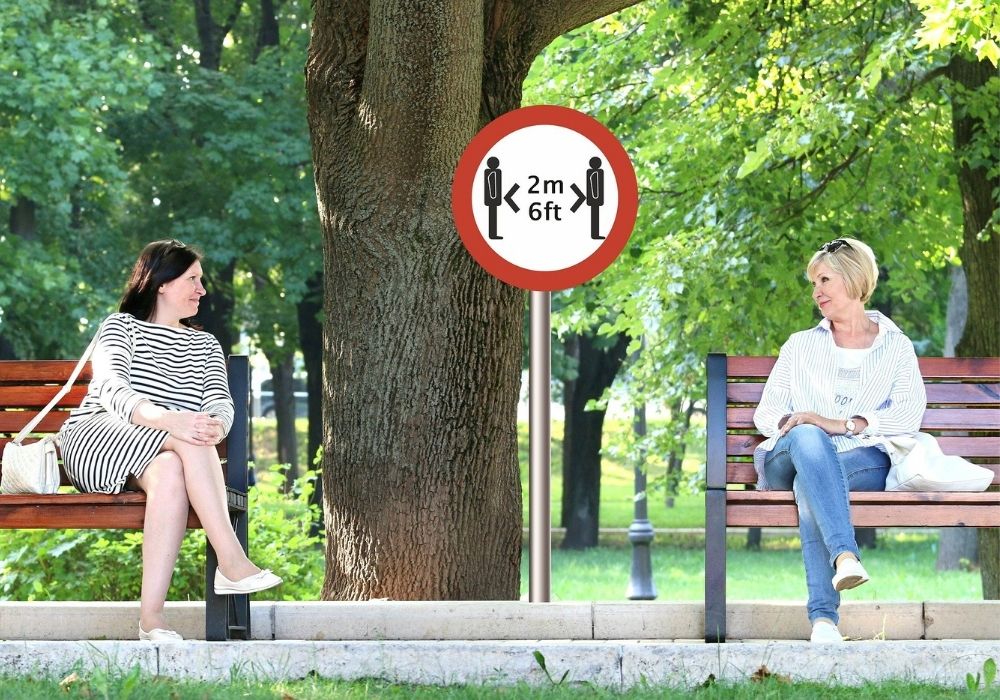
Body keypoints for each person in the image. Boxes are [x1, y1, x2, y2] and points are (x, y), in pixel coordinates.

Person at [59, 240, 281, 641]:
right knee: (187, 442)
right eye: (192, 278)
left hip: (163, 451)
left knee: (173, 467)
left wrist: (215, 425)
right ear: (161, 282)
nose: (202, 289)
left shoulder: (204, 343)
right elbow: (112, 390)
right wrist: (171, 421)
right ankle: (231, 562)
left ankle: (152, 618)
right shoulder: (120, 327)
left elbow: (218, 400)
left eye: (201, 280)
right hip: (98, 438)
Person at [752, 237, 925, 644]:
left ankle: (824, 622)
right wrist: (803, 424)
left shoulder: (896, 347)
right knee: (810, 443)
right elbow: (766, 412)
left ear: (853, 280)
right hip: (789, 456)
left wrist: (841, 424)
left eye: (825, 280)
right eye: (815, 283)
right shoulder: (801, 345)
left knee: (811, 481)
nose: (817, 292)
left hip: (862, 458)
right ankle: (845, 555)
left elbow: (908, 415)